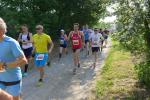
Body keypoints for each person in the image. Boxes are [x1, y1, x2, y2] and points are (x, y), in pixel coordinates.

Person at [0, 18, 27, 100]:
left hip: (13, 79)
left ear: (1, 31)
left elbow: (23, 60)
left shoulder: (11, 42)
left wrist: (4, 65)